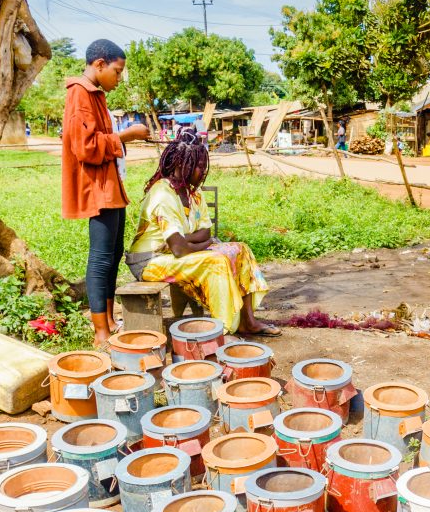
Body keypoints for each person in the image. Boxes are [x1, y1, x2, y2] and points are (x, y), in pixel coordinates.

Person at [126, 128, 280, 337]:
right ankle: (223, 327)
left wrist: (185, 241)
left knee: (240, 250)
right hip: (149, 261)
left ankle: (248, 321)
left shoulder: (193, 193)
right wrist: (201, 245)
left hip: (171, 252)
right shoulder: (163, 194)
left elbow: (204, 233)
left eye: (203, 166)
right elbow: (181, 250)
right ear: (181, 164)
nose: (203, 172)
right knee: (216, 261)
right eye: (198, 166)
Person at [61, 38, 148, 347]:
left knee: (112, 256)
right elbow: (85, 147)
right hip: (97, 187)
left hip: (111, 185)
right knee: (100, 259)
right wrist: (126, 136)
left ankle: (110, 320)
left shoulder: (97, 95)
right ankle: (101, 333)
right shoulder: (80, 94)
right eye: (117, 71)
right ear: (99, 64)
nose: (119, 78)